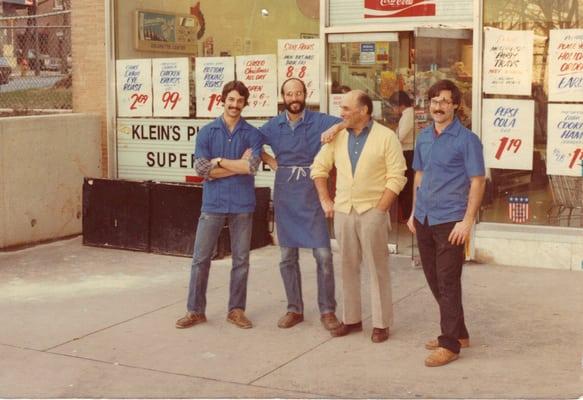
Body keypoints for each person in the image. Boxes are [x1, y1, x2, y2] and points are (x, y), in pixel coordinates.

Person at [311, 90, 407, 343]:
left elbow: (397, 176)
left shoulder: (386, 137)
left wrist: (381, 209)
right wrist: (325, 199)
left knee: (378, 269)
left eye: (346, 109)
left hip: (372, 211)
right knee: (347, 267)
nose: (341, 113)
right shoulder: (338, 136)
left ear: (363, 111)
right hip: (344, 211)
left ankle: (381, 323)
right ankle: (351, 319)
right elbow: (318, 168)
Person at [406, 79, 485, 367]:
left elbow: (477, 182)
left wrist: (467, 221)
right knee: (433, 277)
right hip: (425, 217)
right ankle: (459, 333)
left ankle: (449, 343)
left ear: (455, 105)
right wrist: (414, 211)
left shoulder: (467, 140)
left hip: (451, 221)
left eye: (444, 101)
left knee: (448, 280)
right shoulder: (424, 137)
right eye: (434, 101)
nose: (438, 106)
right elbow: (419, 175)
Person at [175, 80, 263, 330]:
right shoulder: (207, 132)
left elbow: (252, 167)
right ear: (222, 100)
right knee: (200, 258)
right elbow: (203, 170)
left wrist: (220, 162)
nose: (235, 105)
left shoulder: (253, 134)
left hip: (242, 204)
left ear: (245, 103)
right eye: (231, 100)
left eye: (240, 101)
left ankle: (236, 310)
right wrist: (236, 167)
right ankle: (195, 311)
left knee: (241, 260)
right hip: (212, 203)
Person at [260, 77, 346, 330]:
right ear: (282, 97)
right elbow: (250, 141)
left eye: (298, 93)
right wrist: (270, 160)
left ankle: (328, 310)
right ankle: (294, 309)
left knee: (323, 255)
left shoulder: (319, 120)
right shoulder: (273, 125)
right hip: (286, 193)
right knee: (287, 256)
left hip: (313, 191)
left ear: (305, 95)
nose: (294, 98)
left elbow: (350, 120)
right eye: (289, 94)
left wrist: (337, 128)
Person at [388, 90, 415, 221]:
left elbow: (400, 136)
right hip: (407, 152)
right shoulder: (407, 114)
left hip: (408, 153)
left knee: (406, 186)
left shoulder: (408, 115)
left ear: (401, 105)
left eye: (393, 106)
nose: (393, 109)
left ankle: (407, 215)